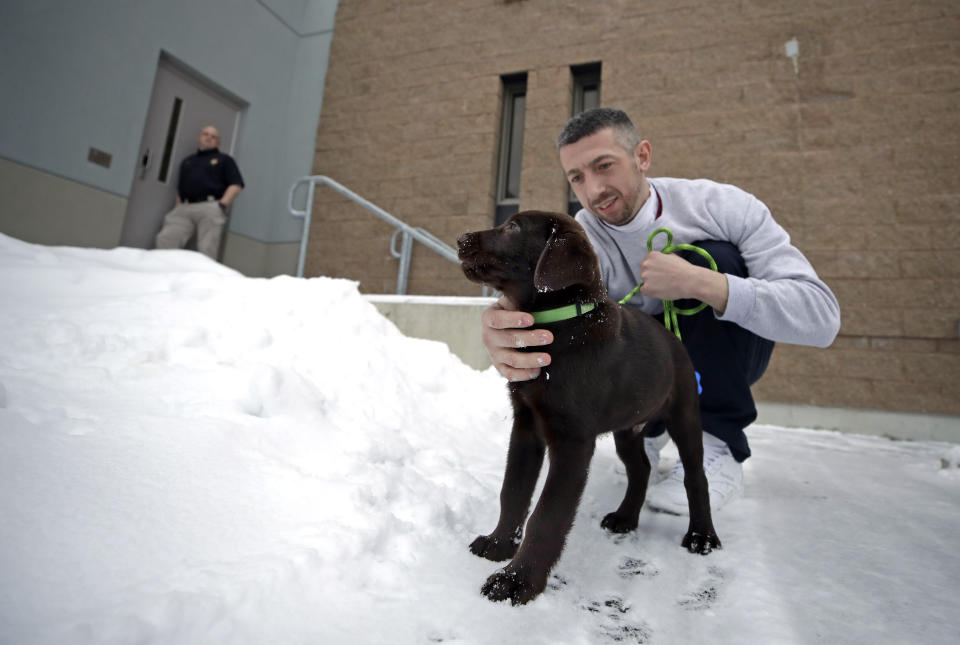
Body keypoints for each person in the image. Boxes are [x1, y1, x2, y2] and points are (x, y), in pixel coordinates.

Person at [481, 107, 840, 514]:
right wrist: (504, 324)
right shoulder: (581, 241)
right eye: (577, 177)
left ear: (643, 157)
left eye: (604, 166)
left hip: (730, 354)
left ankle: (717, 445)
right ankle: (646, 426)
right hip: (650, 370)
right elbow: (533, 299)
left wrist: (702, 283)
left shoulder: (722, 206)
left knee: (712, 258)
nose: (594, 189)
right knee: (590, 320)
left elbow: (822, 319)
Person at [154, 125, 245, 259]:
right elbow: (181, 188)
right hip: (184, 207)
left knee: (207, 247)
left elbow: (236, 185)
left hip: (210, 206)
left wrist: (221, 205)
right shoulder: (187, 161)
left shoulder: (225, 160)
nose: (209, 138)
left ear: (218, 142)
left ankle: (205, 277)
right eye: (205, 134)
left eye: (213, 136)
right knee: (166, 239)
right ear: (199, 137)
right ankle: (159, 269)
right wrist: (178, 206)